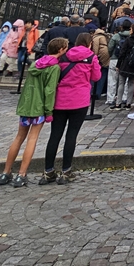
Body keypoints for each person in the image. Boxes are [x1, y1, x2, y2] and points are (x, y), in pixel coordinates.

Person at [0, 38, 65, 188]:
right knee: (32, 139)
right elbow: (50, 91)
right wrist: (49, 111)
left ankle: (5, 172)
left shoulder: (36, 64)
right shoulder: (54, 68)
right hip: (39, 107)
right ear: (60, 50)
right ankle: (21, 174)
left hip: (27, 105)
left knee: (19, 137)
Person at [38, 33, 100, 185]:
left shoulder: (64, 57)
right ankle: (66, 171)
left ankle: (48, 171)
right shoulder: (91, 57)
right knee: (71, 136)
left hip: (61, 100)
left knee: (55, 135)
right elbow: (96, 77)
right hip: (80, 100)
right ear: (89, 43)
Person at [113, 21, 134, 111]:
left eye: (131, 29)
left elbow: (122, 53)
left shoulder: (129, 39)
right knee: (131, 83)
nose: (130, 30)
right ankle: (128, 103)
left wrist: (118, 64)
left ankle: (118, 103)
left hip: (126, 63)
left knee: (121, 83)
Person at [106, 20, 131, 109]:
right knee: (126, 81)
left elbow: (110, 48)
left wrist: (111, 55)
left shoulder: (116, 36)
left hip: (115, 58)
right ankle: (124, 97)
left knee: (112, 79)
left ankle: (110, 98)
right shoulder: (131, 37)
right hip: (127, 61)